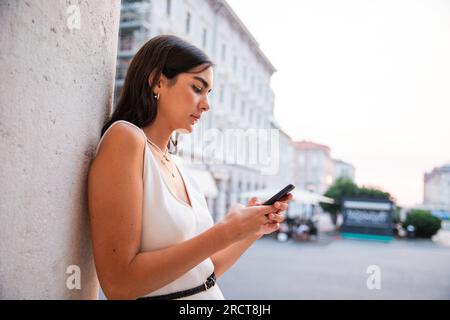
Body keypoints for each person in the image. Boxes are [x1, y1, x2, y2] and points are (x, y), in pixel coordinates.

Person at [87, 35, 293, 300]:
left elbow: (205, 273)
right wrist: (226, 230)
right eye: (197, 88)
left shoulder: (179, 166)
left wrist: (249, 231)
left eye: (208, 93)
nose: (206, 104)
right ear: (157, 81)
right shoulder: (126, 139)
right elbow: (119, 285)